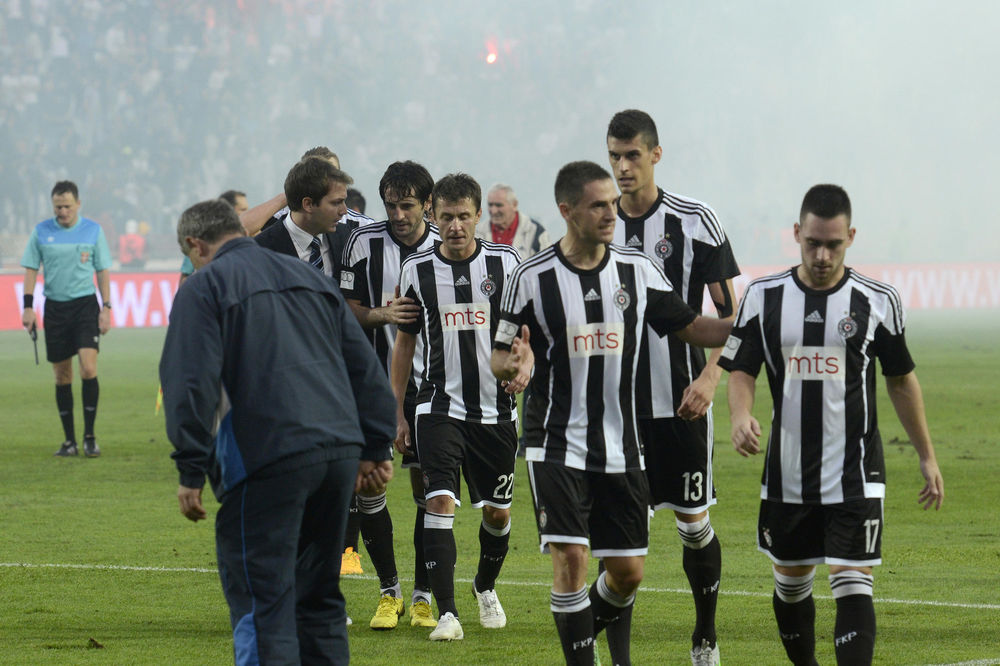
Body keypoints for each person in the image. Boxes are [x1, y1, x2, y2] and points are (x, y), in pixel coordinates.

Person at [491, 161, 731, 666]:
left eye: (611, 204)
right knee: (572, 558)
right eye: (598, 205)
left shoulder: (636, 270)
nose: (611, 213)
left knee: (627, 572)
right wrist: (513, 363)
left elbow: (691, 327)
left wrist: (747, 329)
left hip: (622, 442)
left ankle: (580, 633)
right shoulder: (531, 278)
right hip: (554, 438)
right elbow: (499, 352)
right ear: (567, 210)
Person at [159, 199, 396, 665]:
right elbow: (364, 364)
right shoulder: (308, 276)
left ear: (194, 244)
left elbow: (189, 383)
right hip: (337, 455)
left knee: (261, 601)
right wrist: (373, 445)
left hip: (265, 458)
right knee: (320, 600)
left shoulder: (203, 286)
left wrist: (189, 466)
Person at [719, 184, 944, 666]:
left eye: (834, 245)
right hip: (788, 471)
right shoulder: (763, 296)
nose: (822, 255)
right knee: (791, 583)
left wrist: (926, 455)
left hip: (856, 470)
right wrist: (740, 415)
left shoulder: (877, 300)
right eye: (813, 243)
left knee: (851, 577)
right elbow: (741, 369)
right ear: (796, 234)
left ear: (851, 237)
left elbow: (901, 380)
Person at [607, 109, 740, 665]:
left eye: (632, 155)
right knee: (620, 539)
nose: (622, 168)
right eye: (614, 156)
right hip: (616, 409)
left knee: (692, 523)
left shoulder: (694, 222)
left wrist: (710, 377)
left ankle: (705, 635)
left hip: (682, 403)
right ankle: (618, 657)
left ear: (655, 155)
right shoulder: (597, 223)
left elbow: (733, 318)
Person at [391, 173, 527, 641]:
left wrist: (524, 366)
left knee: (497, 515)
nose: (454, 225)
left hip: (496, 412)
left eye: (463, 216)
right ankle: (446, 612)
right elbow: (404, 345)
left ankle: (484, 586)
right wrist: (397, 411)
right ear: (434, 215)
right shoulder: (416, 269)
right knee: (438, 500)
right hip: (437, 405)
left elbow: (529, 332)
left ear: (477, 216)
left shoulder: (506, 265)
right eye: (445, 217)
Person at [340, 161, 440, 630]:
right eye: (391, 205)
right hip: (374, 386)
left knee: (427, 491)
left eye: (407, 205)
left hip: (434, 390)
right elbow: (346, 308)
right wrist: (383, 314)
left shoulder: (445, 245)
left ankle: (422, 595)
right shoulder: (364, 243)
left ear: (427, 203)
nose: (398, 215)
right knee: (371, 487)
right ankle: (389, 592)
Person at [21, 181, 112, 458]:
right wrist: (28, 307)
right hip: (56, 309)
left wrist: (106, 307)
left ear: (78, 205)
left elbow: (103, 271)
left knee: (87, 368)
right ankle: (69, 441)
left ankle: (89, 436)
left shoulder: (93, 230)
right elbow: (30, 271)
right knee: (62, 375)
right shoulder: (41, 232)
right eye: (58, 207)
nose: (62, 211)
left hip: (85, 306)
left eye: (67, 206)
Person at [255, 157, 353, 280]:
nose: (344, 211)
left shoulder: (348, 237)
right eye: (336, 202)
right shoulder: (261, 250)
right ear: (308, 204)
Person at [475, 183, 550, 259]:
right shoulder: (477, 232)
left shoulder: (535, 231)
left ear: (514, 205)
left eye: (499, 205)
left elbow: (547, 263)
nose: (493, 211)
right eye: (490, 205)